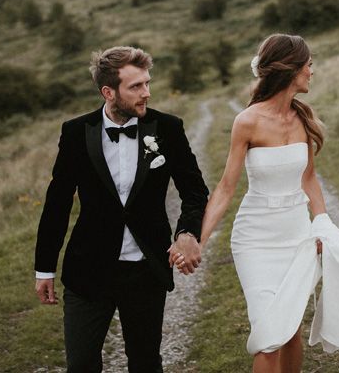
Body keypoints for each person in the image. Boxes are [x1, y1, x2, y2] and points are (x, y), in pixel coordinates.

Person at [190, 34, 339, 373]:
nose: (313, 70)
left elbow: (309, 179)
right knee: (269, 336)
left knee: (291, 329)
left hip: (297, 236)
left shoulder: (304, 117)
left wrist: (321, 224)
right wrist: (199, 241)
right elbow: (224, 188)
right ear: (290, 69)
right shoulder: (247, 121)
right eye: (308, 64)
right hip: (255, 239)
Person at [34, 46, 209, 373]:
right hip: (87, 268)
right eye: (136, 87)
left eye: (147, 83)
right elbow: (57, 203)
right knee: (82, 364)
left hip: (146, 270)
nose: (147, 93)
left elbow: (195, 191)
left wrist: (186, 232)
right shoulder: (76, 133)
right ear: (108, 92)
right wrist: (44, 268)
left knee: (145, 363)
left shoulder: (167, 129)